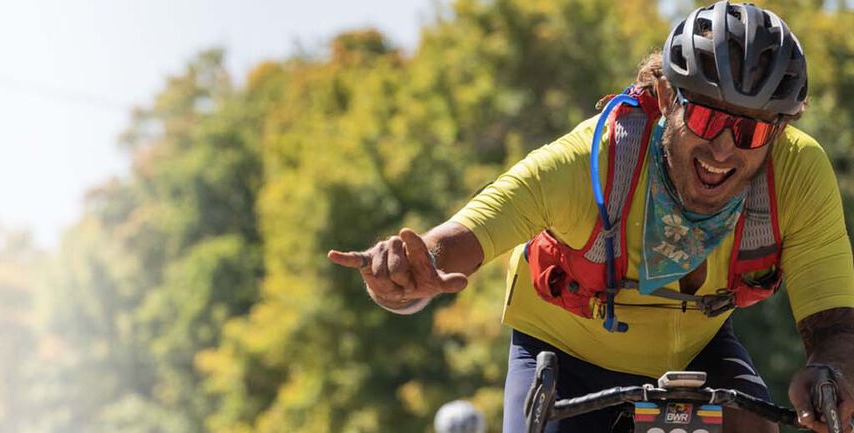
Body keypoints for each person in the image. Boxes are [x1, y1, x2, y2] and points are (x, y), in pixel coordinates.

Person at [327, 2, 854, 432]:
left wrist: (832, 372)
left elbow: (836, 326)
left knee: (753, 426)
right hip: (563, 351)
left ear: (780, 131)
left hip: (696, 352)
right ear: (669, 97)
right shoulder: (595, 159)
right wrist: (407, 275)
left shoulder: (797, 175)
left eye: (751, 132)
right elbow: (462, 238)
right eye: (705, 115)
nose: (721, 149)